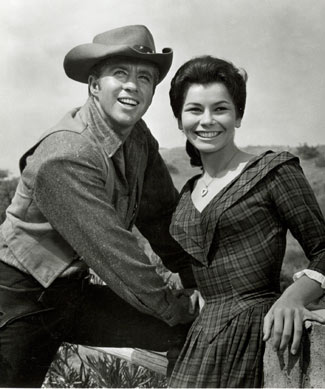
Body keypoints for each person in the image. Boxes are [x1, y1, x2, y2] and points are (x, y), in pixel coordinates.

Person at [0, 25, 197, 388]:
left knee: (196, 333)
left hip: (73, 293)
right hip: (19, 297)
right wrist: (177, 307)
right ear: (94, 85)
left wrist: (199, 279)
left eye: (145, 78)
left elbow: (164, 219)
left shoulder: (138, 138)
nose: (132, 86)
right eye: (119, 74)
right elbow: (119, 257)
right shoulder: (65, 156)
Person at [167, 55, 325, 388]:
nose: (207, 121)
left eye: (220, 109)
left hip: (257, 333)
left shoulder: (272, 172)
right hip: (201, 339)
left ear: (238, 115)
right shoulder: (186, 195)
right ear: (179, 119)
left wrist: (293, 297)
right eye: (195, 110)